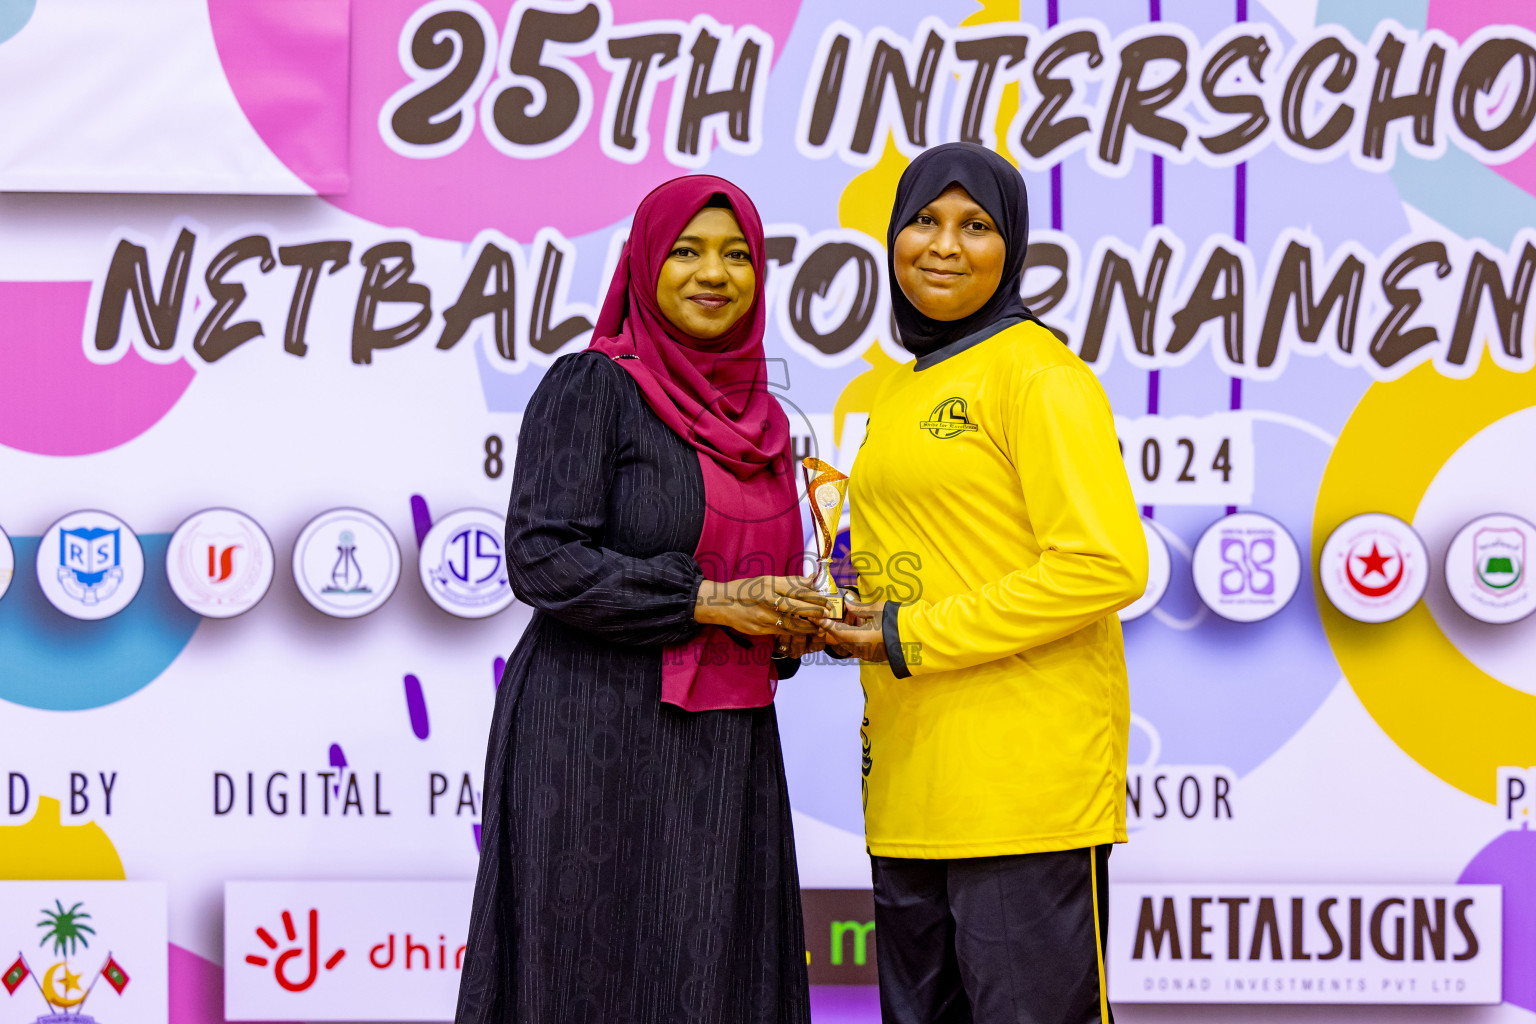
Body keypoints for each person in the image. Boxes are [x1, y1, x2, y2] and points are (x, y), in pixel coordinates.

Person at [456, 175, 823, 1024]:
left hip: (724, 748)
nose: (715, 273)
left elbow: (754, 581)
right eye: (688, 251)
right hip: (596, 738)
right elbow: (542, 558)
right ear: (644, 265)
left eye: (737, 255)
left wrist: (797, 625)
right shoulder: (593, 385)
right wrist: (709, 600)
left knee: (714, 973)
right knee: (592, 972)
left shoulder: (763, 422)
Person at [821, 143, 1149, 1023]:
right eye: (923, 221)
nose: (943, 246)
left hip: (1022, 798)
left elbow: (1105, 563)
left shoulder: (1038, 374)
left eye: (975, 227)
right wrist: (833, 612)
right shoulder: (896, 388)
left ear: (1014, 249)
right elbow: (921, 561)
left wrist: (908, 634)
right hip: (908, 789)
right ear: (891, 237)